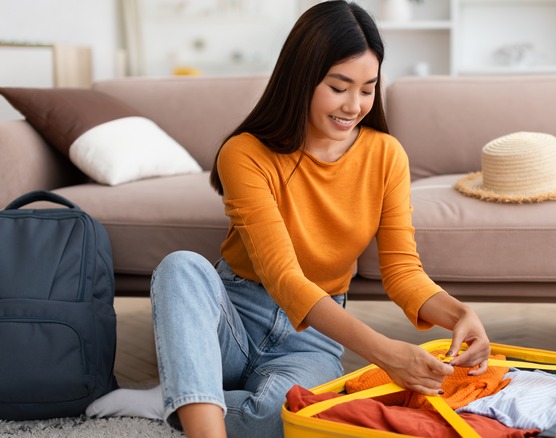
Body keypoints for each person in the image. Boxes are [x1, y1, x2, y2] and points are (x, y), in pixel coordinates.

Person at [87, 1, 490, 436]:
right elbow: (284, 278)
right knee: (180, 267)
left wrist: (459, 313)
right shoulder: (245, 153)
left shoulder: (386, 155)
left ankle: (184, 397)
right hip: (234, 317)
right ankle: (197, 406)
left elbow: (401, 270)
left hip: (311, 339)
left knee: (288, 415)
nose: (354, 105)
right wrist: (386, 353)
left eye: (367, 88)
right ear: (302, 79)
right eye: (339, 87)